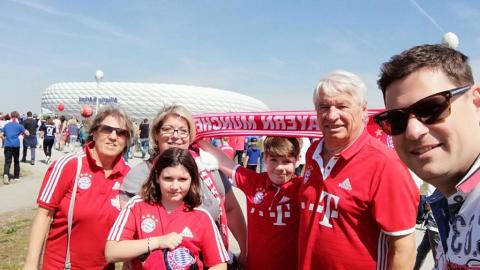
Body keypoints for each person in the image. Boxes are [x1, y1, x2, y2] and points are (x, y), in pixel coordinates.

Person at [298, 70, 419, 270]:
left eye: (342, 106)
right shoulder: (313, 152)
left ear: (364, 111)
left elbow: (403, 249)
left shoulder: (386, 166)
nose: (331, 115)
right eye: (324, 106)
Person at [376, 44, 480, 269]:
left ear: (476, 103)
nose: (413, 131)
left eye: (432, 108)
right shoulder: (451, 201)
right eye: (397, 120)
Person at [119, 105, 247, 267]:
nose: (175, 136)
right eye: (168, 129)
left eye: (182, 130)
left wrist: (245, 248)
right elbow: (126, 234)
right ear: (156, 134)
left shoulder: (209, 169)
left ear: (190, 136)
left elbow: (231, 209)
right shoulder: (139, 175)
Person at [23, 107, 134, 270]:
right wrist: (31, 265)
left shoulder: (129, 177)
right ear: (94, 133)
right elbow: (44, 216)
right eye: (106, 129)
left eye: (121, 132)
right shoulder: (70, 165)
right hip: (62, 266)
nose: (113, 136)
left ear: (127, 140)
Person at [106, 148, 229, 269]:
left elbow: (218, 264)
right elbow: (111, 252)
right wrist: (157, 242)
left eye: (182, 179)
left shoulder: (202, 216)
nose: (175, 186)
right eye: (168, 179)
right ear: (156, 177)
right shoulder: (136, 206)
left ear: (192, 180)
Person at [199, 136, 302, 270]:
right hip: (254, 264)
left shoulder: (303, 187)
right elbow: (223, 161)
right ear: (264, 158)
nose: (279, 167)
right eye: (274, 160)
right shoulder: (254, 182)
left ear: (298, 160)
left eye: (287, 161)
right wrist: (198, 140)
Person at [3, 111, 28, 184]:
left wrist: (3, 138)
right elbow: (27, 133)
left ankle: (6, 174)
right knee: (16, 161)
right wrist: (22, 136)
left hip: (7, 145)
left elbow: (1, 133)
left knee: (7, 161)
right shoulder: (19, 125)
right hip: (16, 145)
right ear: (17, 117)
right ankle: (16, 177)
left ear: (11, 116)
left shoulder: (6, 125)